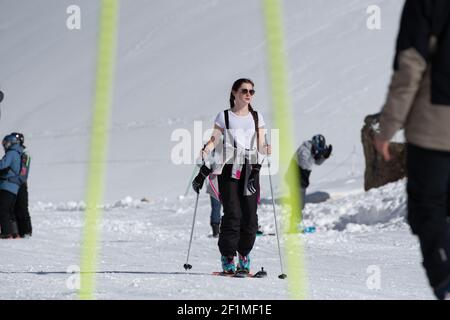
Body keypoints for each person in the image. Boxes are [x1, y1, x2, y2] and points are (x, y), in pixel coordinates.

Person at [373, 0, 450, 300]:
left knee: (427, 208)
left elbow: (411, 65)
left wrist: (387, 127)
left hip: (436, 126)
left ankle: (445, 282)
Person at [192, 78, 271, 274]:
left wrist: (265, 148)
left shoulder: (256, 117)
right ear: (234, 92)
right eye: (244, 90)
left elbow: (261, 143)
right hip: (228, 166)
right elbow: (214, 138)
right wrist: (207, 148)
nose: (248, 94)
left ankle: (244, 254)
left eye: (252, 91)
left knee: (250, 216)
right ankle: (228, 256)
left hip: (250, 168)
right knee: (233, 213)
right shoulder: (224, 116)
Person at [287, 134, 332, 210]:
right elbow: (304, 165)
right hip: (295, 177)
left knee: (300, 204)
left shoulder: (312, 149)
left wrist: (324, 156)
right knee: (298, 204)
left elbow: (317, 162)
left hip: (302, 178)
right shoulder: (304, 149)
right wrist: (316, 154)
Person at [0, 134, 25, 238]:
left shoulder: (11, 153)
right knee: (10, 211)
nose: (5, 146)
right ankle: (15, 233)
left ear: (10, 142)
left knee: (2, 209)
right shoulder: (18, 153)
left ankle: (6, 233)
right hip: (14, 188)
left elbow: (2, 165)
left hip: (7, 186)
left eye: (5, 143)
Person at [10, 132, 32, 238]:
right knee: (12, 208)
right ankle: (15, 231)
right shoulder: (12, 154)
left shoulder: (25, 155)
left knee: (22, 208)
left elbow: (23, 172)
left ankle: (26, 231)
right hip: (11, 185)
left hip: (21, 185)